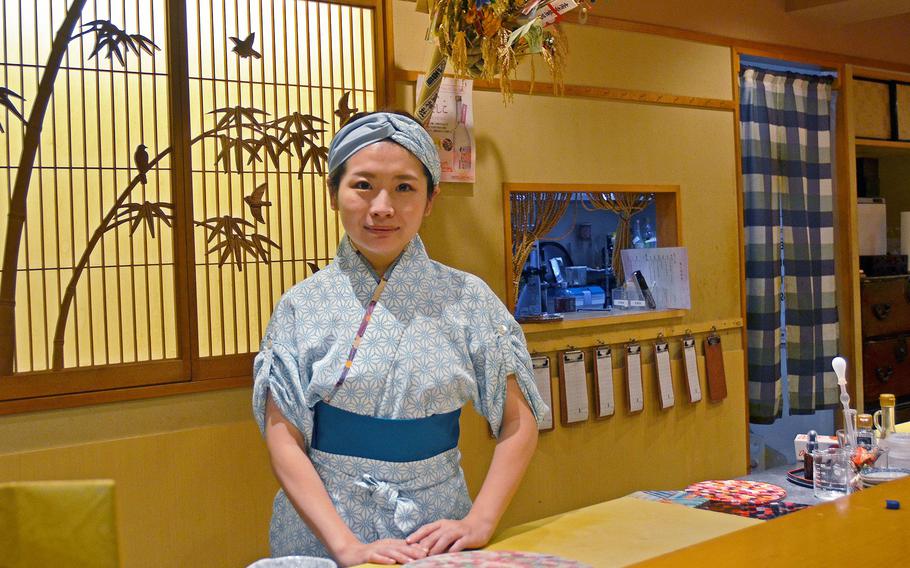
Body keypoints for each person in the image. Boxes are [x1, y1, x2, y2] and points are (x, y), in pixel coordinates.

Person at [252, 110, 548, 567]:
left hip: (434, 529)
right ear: (334, 194)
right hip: (325, 533)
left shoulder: (468, 299)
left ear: (431, 200)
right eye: (363, 185)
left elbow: (518, 422)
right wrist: (346, 547)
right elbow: (283, 436)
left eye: (405, 187)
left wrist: (480, 522)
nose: (382, 207)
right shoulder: (300, 306)